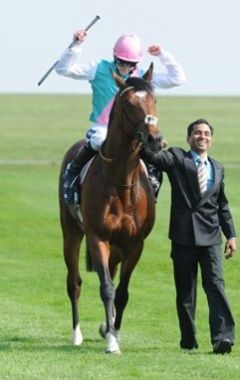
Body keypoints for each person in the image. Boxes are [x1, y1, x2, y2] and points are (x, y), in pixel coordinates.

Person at [55, 29, 186, 204]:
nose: (125, 66)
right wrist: (76, 46)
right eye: (121, 62)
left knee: (151, 146)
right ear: (115, 57)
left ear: (137, 62)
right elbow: (63, 69)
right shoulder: (99, 68)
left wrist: (163, 55)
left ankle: (152, 180)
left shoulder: (142, 76)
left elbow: (178, 79)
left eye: (130, 64)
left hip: (133, 130)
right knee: (99, 141)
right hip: (102, 127)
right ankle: (72, 174)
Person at [142, 118, 237, 354]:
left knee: (215, 286)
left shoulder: (218, 166)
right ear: (188, 138)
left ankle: (223, 338)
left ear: (211, 140)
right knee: (185, 293)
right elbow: (152, 156)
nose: (202, 136)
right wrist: (150, 131)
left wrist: (231, 236)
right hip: (183, 237)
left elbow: (222, 204)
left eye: (206, 134)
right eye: (197, 133)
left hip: (211, 237)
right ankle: (188, 339)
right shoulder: (176, 157)